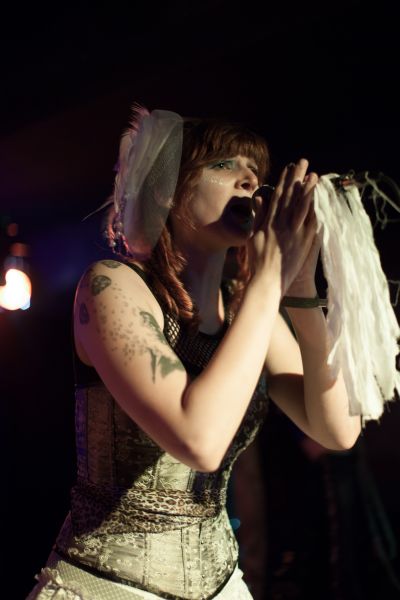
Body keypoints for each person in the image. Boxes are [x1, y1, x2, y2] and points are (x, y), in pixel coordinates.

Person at [27, 107, 362, 599]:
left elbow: (338, 430)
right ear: (169, 189)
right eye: (225, 165)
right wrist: (269, 278)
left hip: (221, 583)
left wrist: (300, 289)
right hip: (107, 586)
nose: (250, 179)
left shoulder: (245, 304)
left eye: (256, 172)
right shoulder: (111, 285)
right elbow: (199, 440)